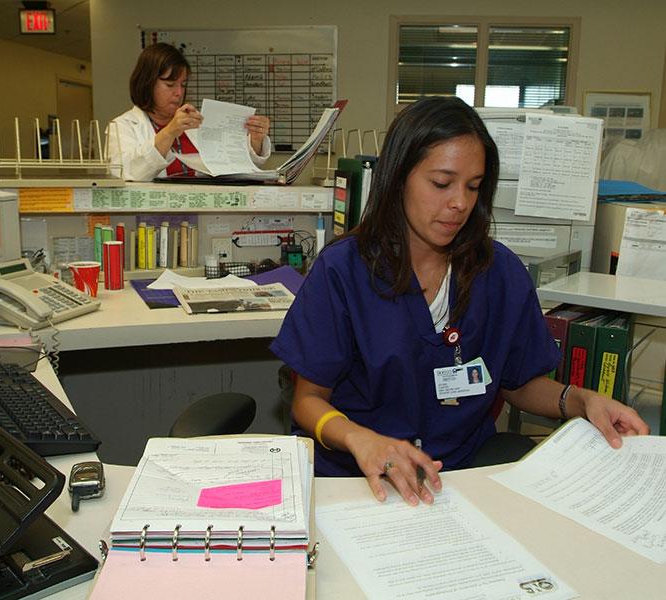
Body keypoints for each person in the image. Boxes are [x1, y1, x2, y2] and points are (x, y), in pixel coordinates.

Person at [270, 96, 649, 507]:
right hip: (359, 485)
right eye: (441, 183)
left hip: (460, 485)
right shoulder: (343, 270)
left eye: (473, 187)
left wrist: (579, 400)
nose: (460, 203)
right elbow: (308, 401)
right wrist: (361, 439)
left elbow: (519, 383)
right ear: (399, 178)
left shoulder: (498, 271)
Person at [107, 43, 271, 181]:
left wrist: (255, 142)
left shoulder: (196, 122)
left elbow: (234, 167)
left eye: (183, 85)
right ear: (147, 83)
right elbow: (127, 173)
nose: (179, 92)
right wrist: (170, 132)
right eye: (170, 85)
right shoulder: (122, 126)